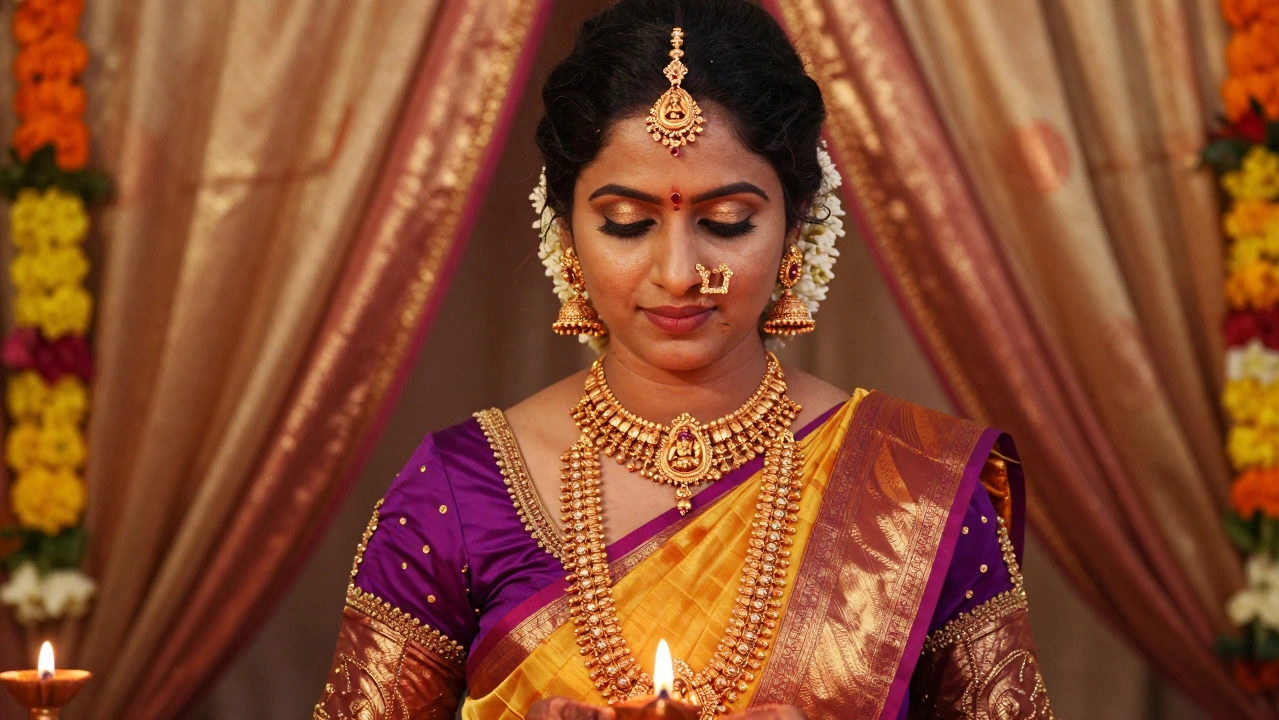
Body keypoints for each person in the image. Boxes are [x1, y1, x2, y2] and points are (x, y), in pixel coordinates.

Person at [315, 1, 1052, 718]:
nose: (677, 272)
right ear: (568, 234)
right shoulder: (458, 495)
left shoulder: (911, 487)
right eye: (627, 224)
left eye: (727, 223)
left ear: (795, 225)